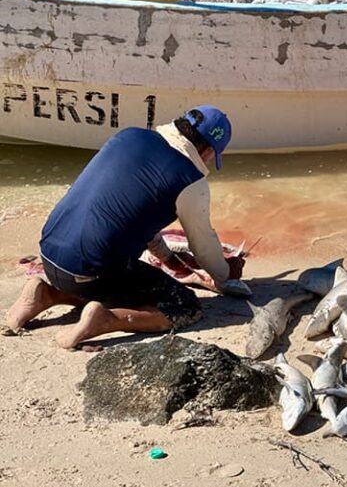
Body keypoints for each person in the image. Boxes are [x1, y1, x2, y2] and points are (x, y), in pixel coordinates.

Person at [5, 105, 248, 349]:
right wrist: (225, 274)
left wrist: (166, 257)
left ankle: (47, 293)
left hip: (50, 255)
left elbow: (131, 214)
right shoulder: (191, 181)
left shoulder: (128, 135)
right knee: (185, 306)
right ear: (206, 152)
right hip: (90, 273)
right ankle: (106, 320)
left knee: (104, 273)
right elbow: (202, 244)